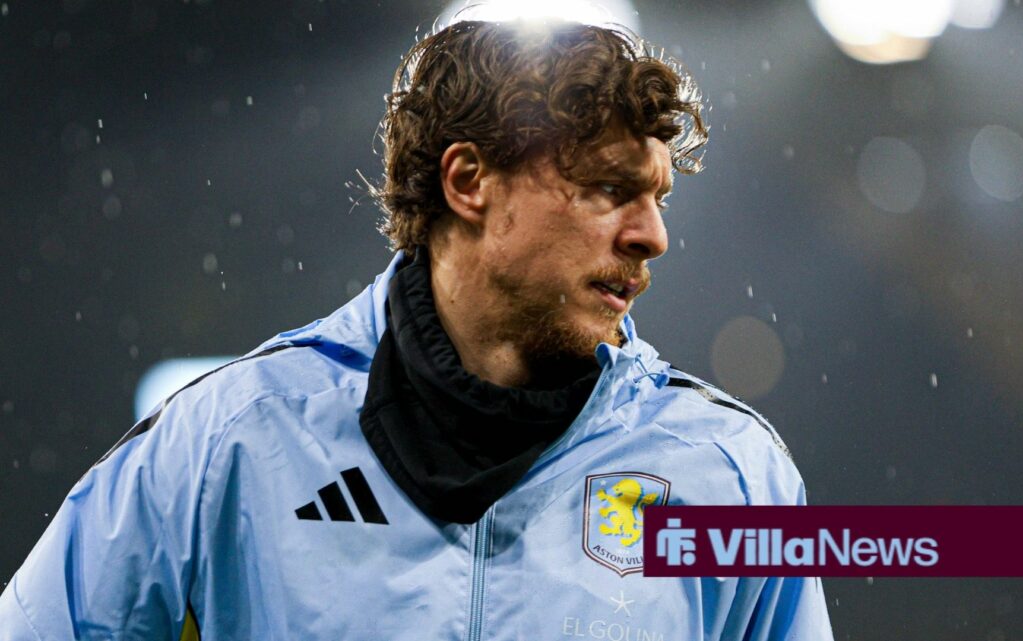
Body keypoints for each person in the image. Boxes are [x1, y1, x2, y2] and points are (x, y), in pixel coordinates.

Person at [0, 19, 833, 641]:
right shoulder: (228, 443)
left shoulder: (734, 473)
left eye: (659, 198)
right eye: (610, 188)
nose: (651, 235)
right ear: (469, 181)